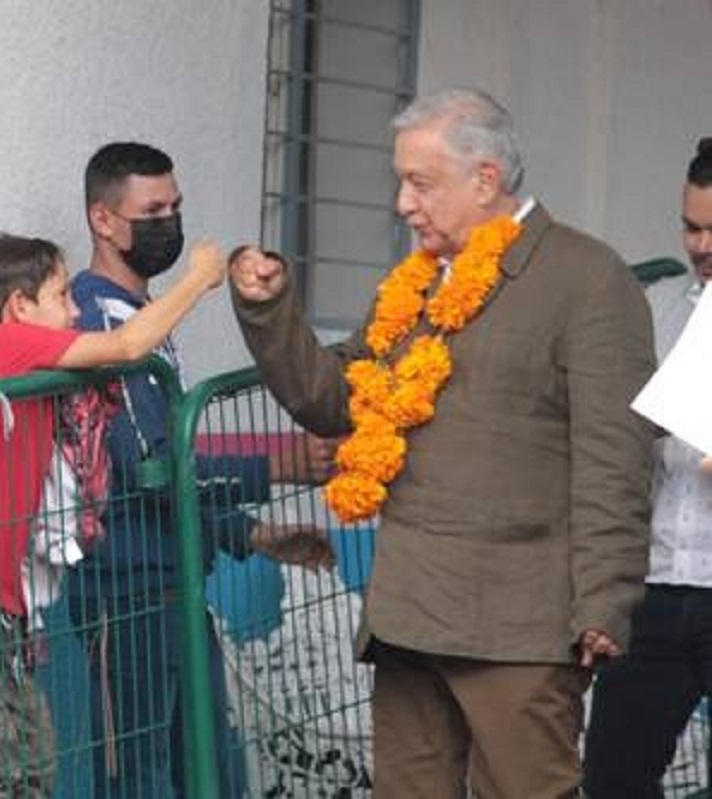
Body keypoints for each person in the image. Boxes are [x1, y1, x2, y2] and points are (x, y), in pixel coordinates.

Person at [230, 87, 655, 797]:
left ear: (485, 179)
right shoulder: (416, 285)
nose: (402, 203)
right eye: (401, 181)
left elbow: (617, 458)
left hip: (521, 625)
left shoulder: (588, 279)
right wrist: (271, 311)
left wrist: (604, 602)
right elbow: (335, 400)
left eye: (420, 182)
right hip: (410, 614)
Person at [67, 141, 337, 798]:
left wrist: (252, 533)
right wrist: (276, 464)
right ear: (104, 220)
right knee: (140, 776)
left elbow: (173, 473)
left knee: (205, 766)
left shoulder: (142, 318)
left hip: (178, 583)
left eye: (177, 206)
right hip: (123, 593)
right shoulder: (98, 315)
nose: (171, 222)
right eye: (152, 209)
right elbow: (153, 464)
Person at [0, 231, 225, 796]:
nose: (76, 310)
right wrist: (199, 279)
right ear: (20, 308)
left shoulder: (21, 362)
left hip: (0, 607)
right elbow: (130, 346)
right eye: (63, 296)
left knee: (31, 764)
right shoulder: (4, 344)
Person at [583, 138, 712, 798]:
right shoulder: (654, 307)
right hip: (655, 591)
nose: (701, 244)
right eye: (692, 226)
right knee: (612, 780)